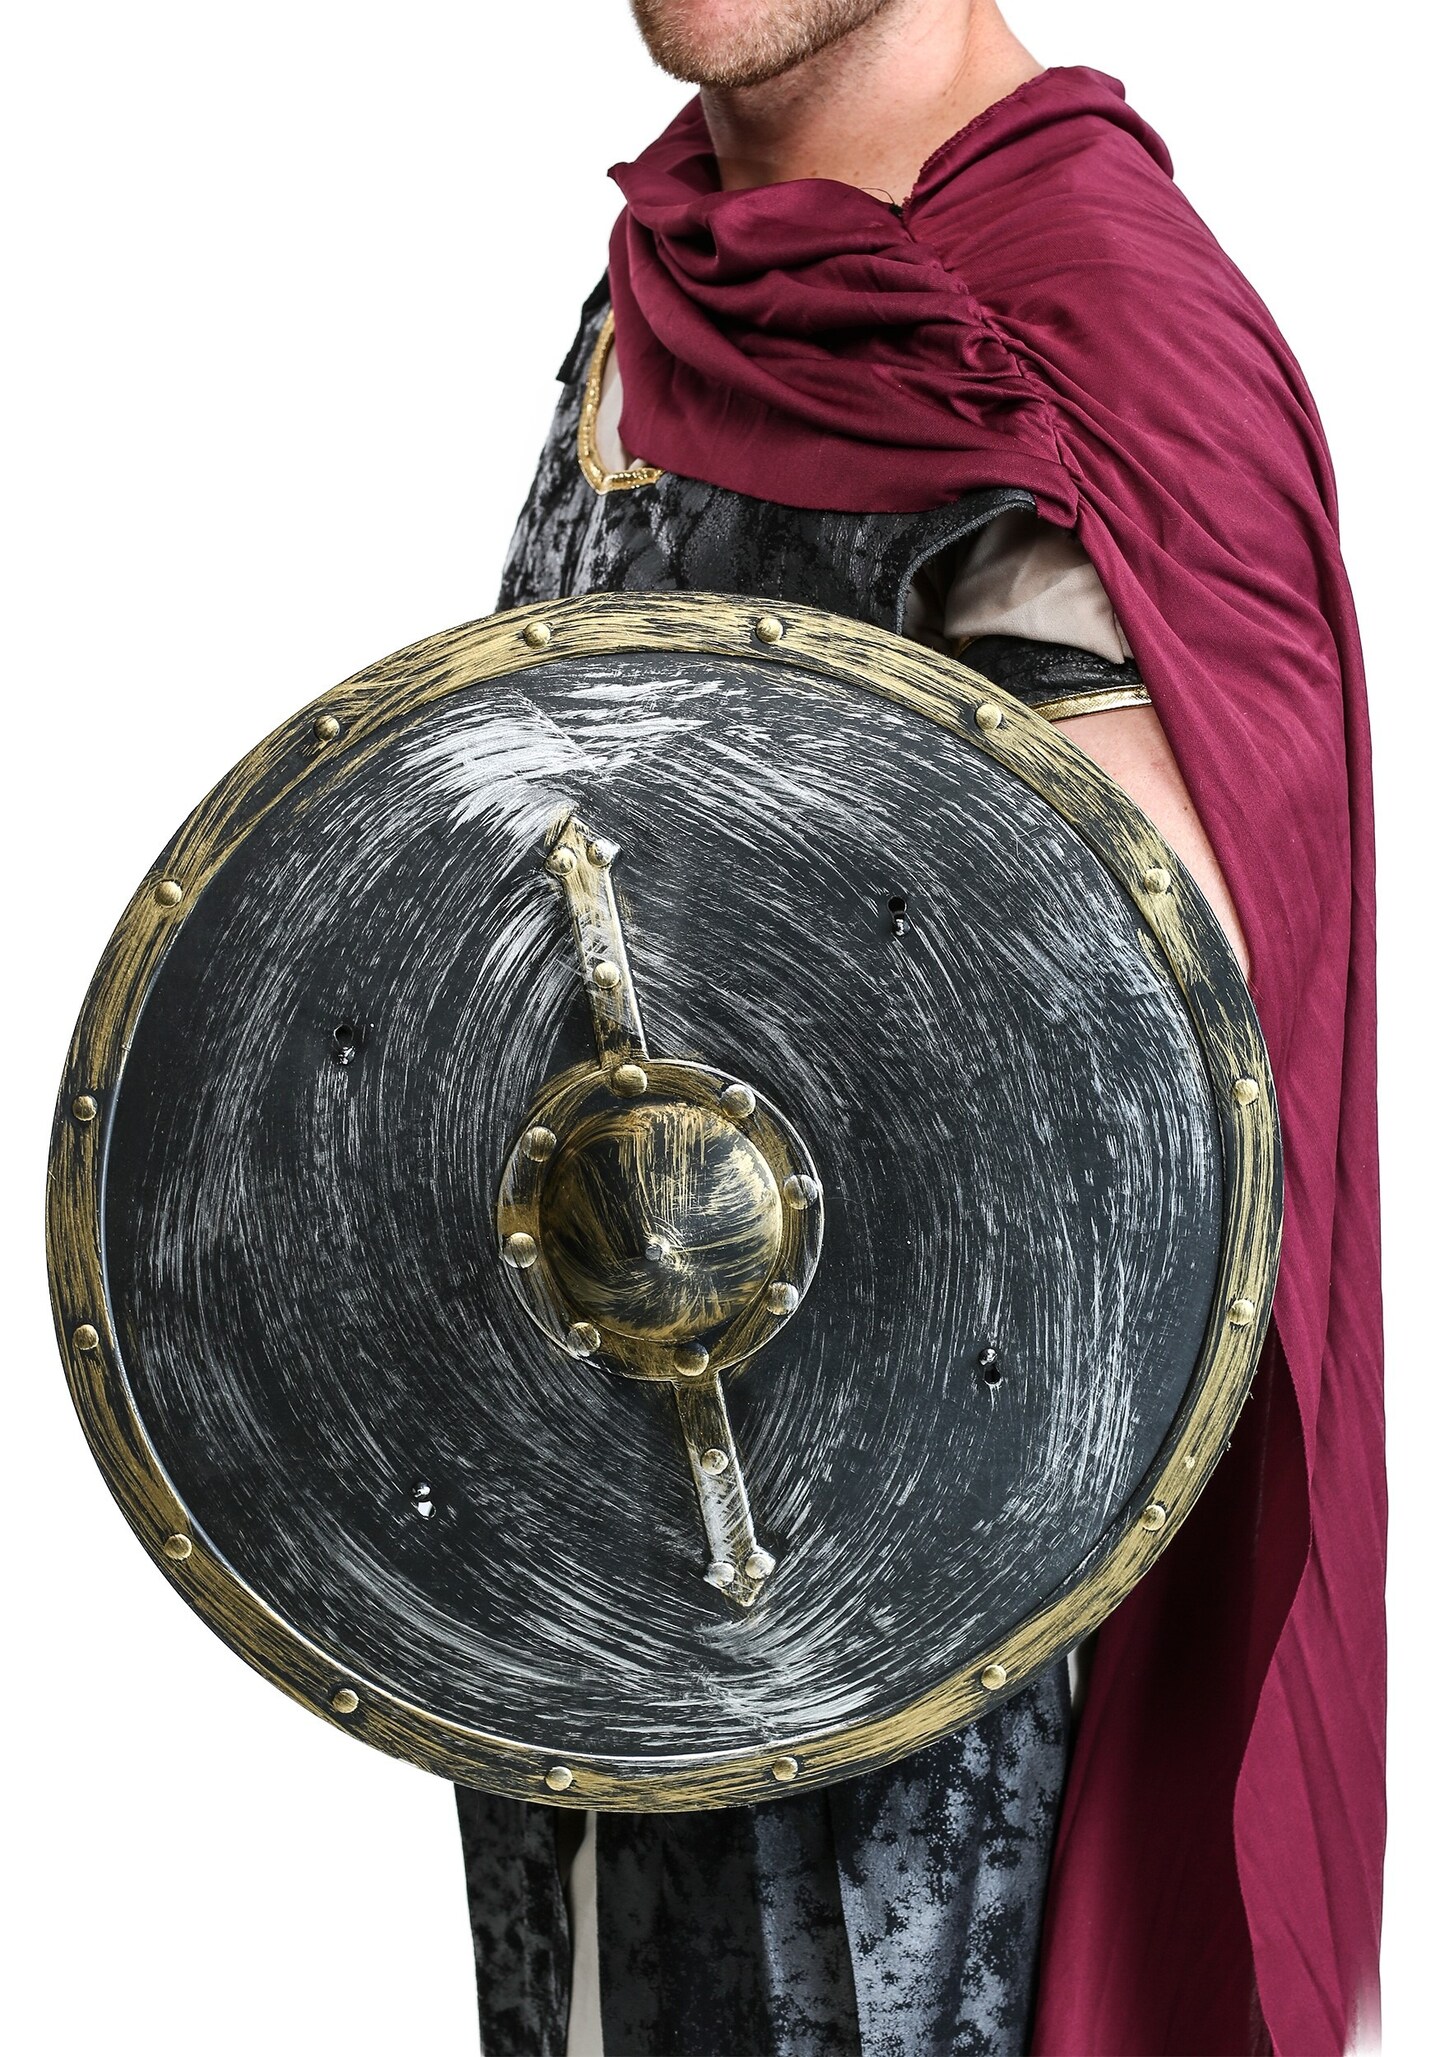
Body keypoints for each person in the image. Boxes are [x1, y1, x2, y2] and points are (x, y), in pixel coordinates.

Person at [457, 4, 1384, 2052]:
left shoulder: (1075, 333)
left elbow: (1127, 1112)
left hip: (927, 1698)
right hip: (606, 1594)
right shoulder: (673, 289)